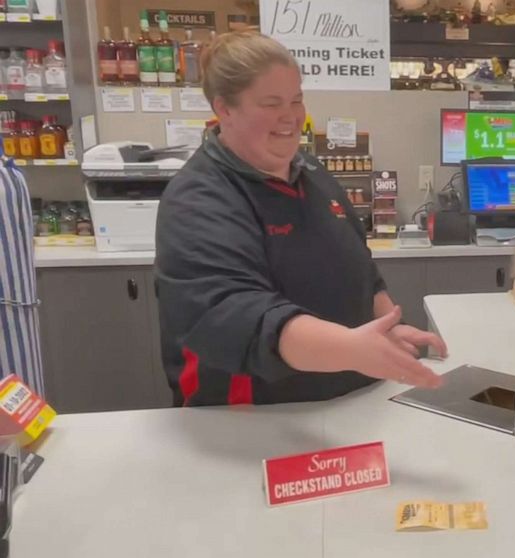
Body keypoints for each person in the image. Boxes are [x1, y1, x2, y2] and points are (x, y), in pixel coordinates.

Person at [155, 31, 445, 407]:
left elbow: (361, 270)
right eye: (271, 103)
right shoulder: (198, 198)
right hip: (250, 417)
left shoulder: (311, 171)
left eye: (296, 99)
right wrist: (352, 348)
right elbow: (238, 314)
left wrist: (391, 327)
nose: (290, 117)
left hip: (344, 403)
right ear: (224, 108)